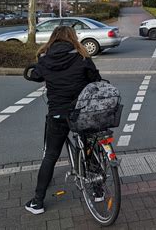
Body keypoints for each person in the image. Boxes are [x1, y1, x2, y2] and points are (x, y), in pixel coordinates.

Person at [24, 26, 101, 215]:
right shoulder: (82, 56)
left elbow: (35, 76)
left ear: (53, 38)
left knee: (51, 154)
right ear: (73, 38)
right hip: (82, 112)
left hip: (58, 114)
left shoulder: (45, 58)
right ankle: (98, 190)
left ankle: (37, 202)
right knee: (89, 148)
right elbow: (96, 80)